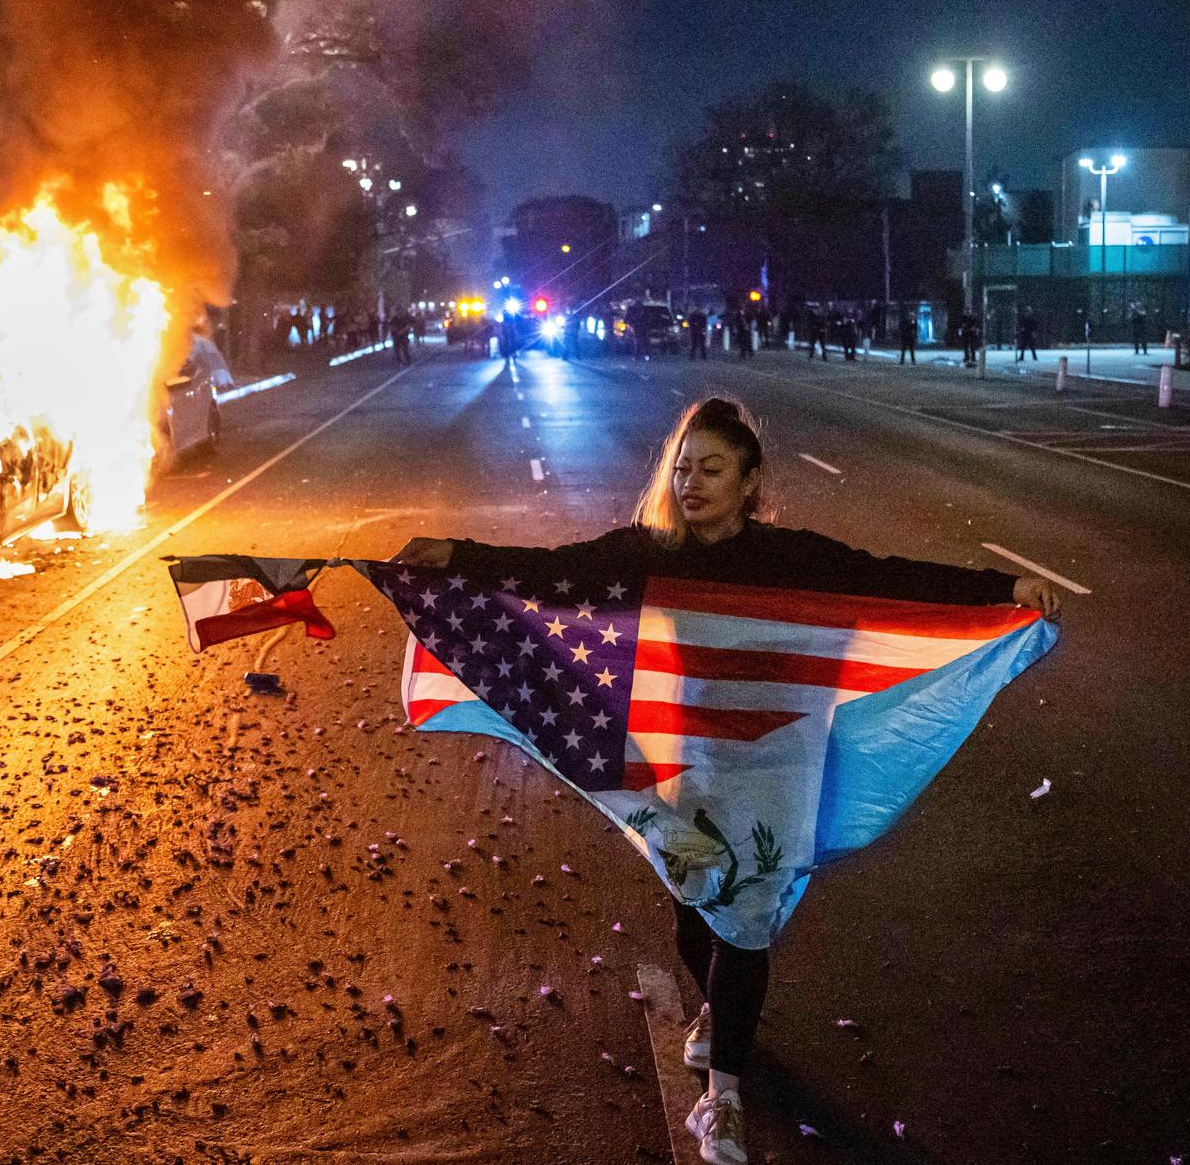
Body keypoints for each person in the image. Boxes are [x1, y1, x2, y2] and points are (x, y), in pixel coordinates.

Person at [392, 398, 1064, 1165]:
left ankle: (725, 1097)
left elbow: (889, 580)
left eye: (712, 468)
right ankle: (716, 1010)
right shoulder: (648, 551)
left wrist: (999, 588)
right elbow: (553, 570)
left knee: (744, 919)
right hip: (688, 760)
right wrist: (454, 552)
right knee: (694, 905)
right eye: (683, 467)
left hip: (778, 763)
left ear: (750, 483)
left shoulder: (791, 557)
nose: (691, 481)